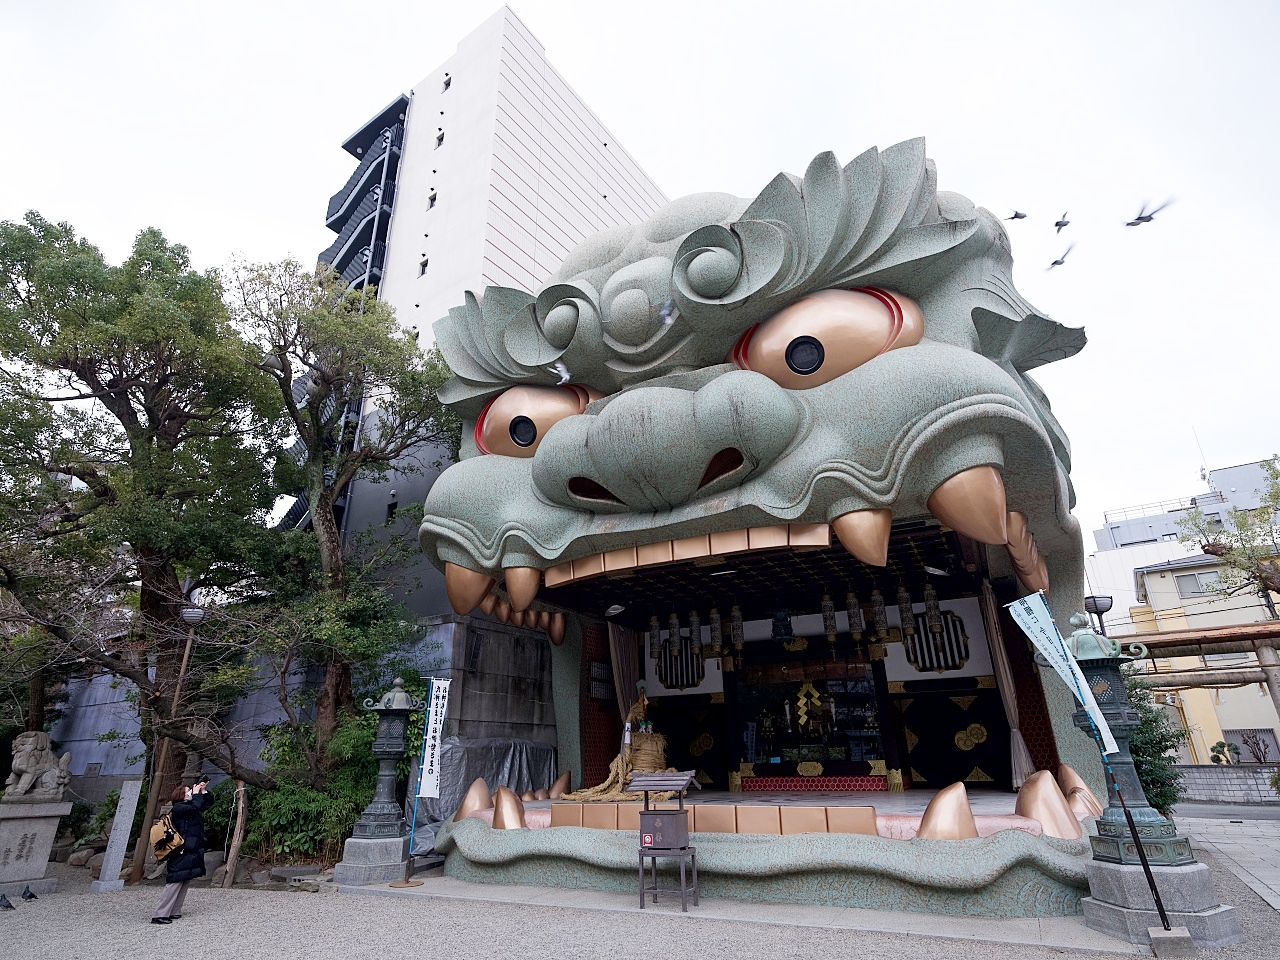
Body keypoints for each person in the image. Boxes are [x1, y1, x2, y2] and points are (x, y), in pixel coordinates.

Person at [151, 780, 210, 925]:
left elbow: (205, 804)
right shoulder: (178, 808)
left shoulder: (189, 807)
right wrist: (196, 795)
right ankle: (160, 914)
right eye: (187, 792)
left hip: (191, 848)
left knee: (185, 879)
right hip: (181, 849)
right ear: (180, 796)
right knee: (175, 880)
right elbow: (196, 805)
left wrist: (203, 792)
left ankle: (174, 911)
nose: (190, 792)